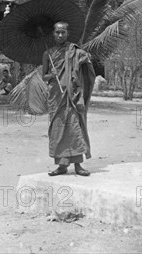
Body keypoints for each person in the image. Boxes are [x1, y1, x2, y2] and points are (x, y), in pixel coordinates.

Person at [41, 21, 96, 177]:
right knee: (58, 130)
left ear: (67, 33)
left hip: (72, 96)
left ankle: (78, 165)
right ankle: (62, 166)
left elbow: (86, 63)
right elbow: (44, 76)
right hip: (56, 96)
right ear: (53, 33)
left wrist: (85, 58)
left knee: (74, 128)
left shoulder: (74, 51)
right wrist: (51, 75)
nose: (60, 35)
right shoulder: (48, 54)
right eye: (57, 32)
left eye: (63, 32)